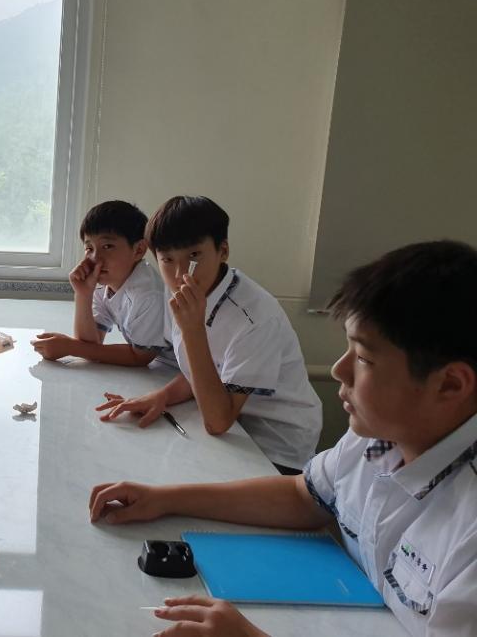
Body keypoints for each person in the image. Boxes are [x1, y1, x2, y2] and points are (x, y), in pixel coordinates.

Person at [89, 240, 477, 636]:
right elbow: (303, 496)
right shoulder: (379, 438)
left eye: (363, 358)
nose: (339, 370)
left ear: (450, 384)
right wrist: (165, 499)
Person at [98, 196, 320, 473]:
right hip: (228, 420)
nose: (180, 274)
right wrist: (162, 396)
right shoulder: (180, 289)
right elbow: (208, 368)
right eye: (167, 260)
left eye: (194, 256)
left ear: (222, 250)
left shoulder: (253, 318)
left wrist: (193, 331)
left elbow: (218, 422)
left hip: (275, 447)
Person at [31, 200, 175, 367]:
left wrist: (70, 347)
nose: (95, 258)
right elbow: (91, 344)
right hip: (158, 367)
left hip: (176, 370)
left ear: (139, 250)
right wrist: (83, 294)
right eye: (89, 248)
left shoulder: (148, 294)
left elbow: (141, 357)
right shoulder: (104, 284)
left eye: (107, 246)